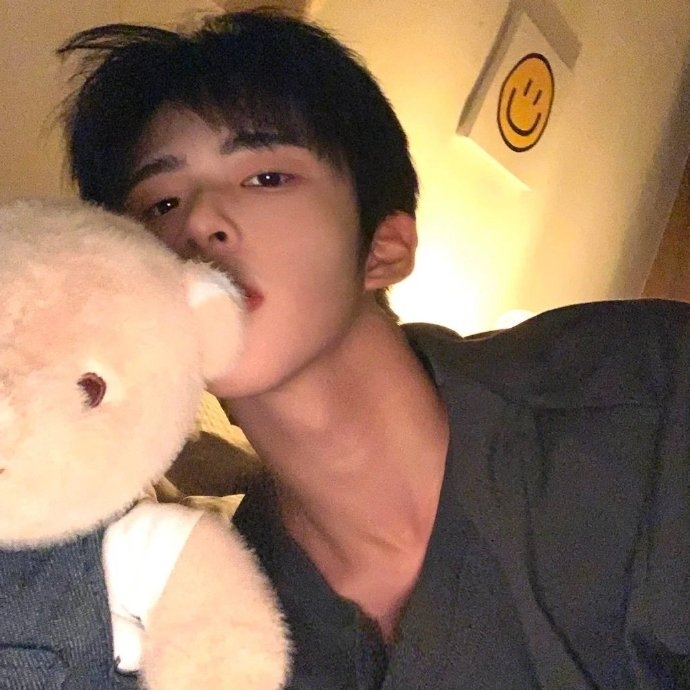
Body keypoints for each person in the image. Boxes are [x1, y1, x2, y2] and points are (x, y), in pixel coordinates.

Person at [57, 9, 689, 689]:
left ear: (384, 247)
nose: (200, 221)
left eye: (266, 177)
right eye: (160, 204)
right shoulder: (219, 629)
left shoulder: (648, 392)